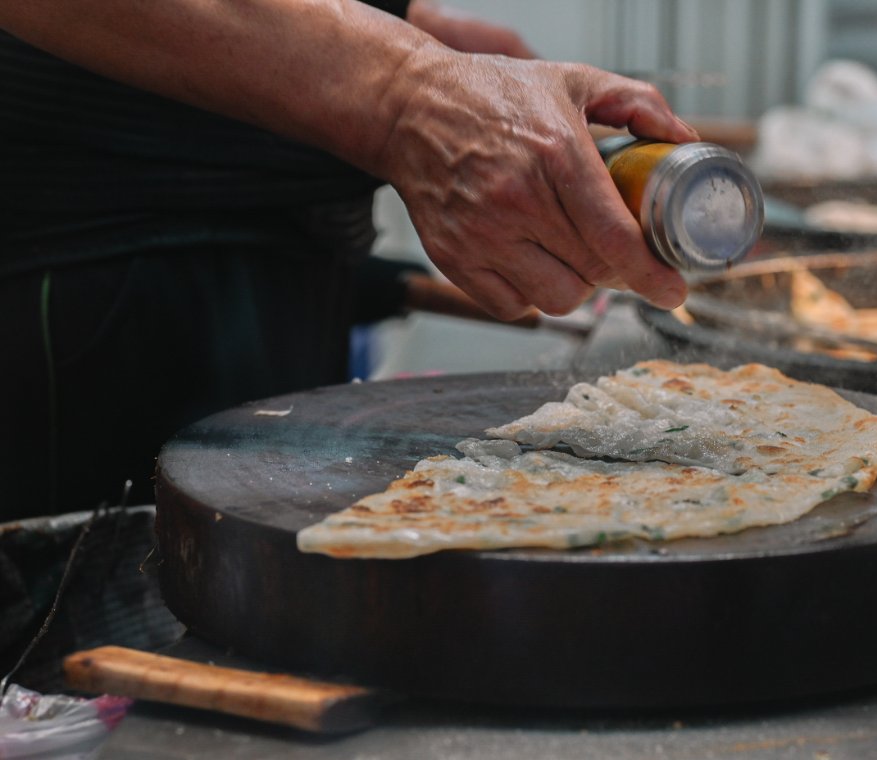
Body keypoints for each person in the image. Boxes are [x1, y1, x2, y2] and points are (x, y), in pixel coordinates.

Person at [0, 0, 695, 520]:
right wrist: (406, 90)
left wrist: (398, 26)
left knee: (253, 596)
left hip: (281, 261)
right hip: (79, 276)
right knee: (90, 651)